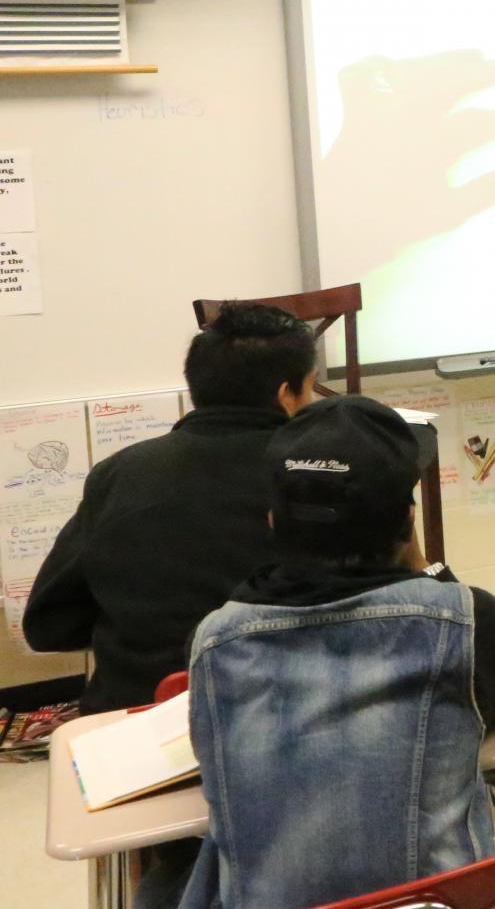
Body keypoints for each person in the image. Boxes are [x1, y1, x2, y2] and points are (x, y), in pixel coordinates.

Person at [138, 397, 495, 909]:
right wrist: (423, 568)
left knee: (152, 894)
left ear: (273, 523)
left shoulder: (218, 641)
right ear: (406, 519)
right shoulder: (468, 621)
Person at [23, 302, 321, 713]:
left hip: (135, 720)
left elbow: (48, 625)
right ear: (285, 394)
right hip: (290, 714)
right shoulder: (317, 475)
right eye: (310, 387)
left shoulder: (119, 473)